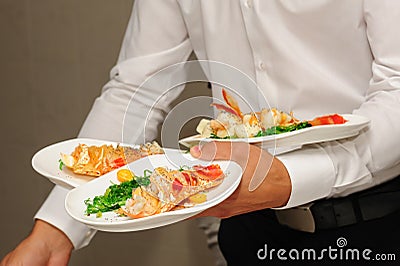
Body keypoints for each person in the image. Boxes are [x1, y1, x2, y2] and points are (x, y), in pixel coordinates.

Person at [2, 0, 400, 265]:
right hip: (249, 230)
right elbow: (138, 89)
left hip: (375, 225)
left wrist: (293, 179)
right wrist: (55, 231)